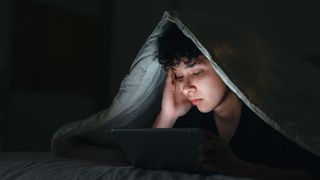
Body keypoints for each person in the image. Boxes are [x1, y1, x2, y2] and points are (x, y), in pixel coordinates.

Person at [152, 24, 319, 179]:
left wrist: (242, 169)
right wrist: (167, 115)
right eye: (179, 76)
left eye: (196, 73)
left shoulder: (271, 115)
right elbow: (148, 169)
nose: (186, 88)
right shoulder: (190, 119)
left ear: (224, 64)